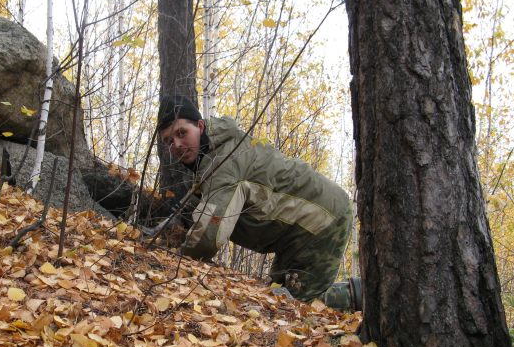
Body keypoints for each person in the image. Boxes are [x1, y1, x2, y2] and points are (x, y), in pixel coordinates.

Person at [155, 95, 361, 311]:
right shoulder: (215, 155)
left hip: (324, 218)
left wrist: (178, 259)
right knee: (275, 294)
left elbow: (208, 238)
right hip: (297, 231)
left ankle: (364, 297)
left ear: (200, 125)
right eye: (169, 141)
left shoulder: (224, 161)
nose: (177, 145)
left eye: (181, 133)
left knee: (297, 306)